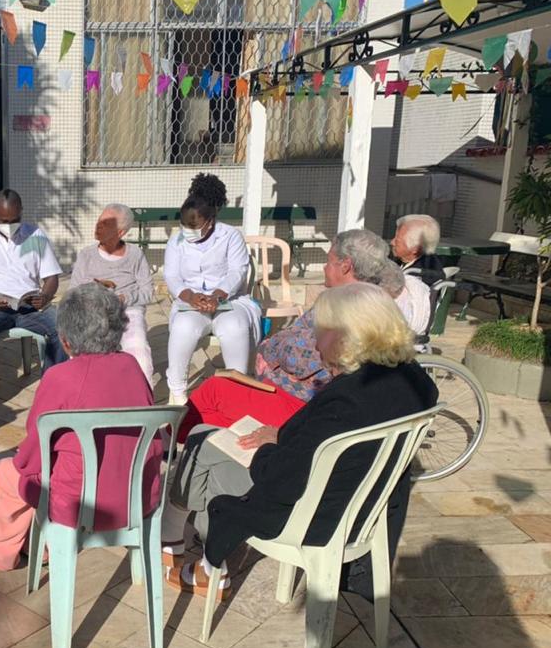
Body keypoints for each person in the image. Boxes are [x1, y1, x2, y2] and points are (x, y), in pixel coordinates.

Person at [162, 283, 437, 597]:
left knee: (203, 448)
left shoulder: (346, 397)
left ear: (348, 335)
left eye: (322, 333)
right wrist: (280, 433)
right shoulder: (416, 381)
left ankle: (209, 565)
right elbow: (323, 437)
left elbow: (283, 482)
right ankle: (184, 541)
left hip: (311, 516)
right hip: (364, 503)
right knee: (203, 439)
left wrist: (267, 448)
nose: (317, 346)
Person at [177, 230, 431, 441]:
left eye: (329, 260)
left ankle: (167, 445)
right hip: (298, 395)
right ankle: (187, 447)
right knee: (213, 418)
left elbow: (303, 359)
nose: (325, 267)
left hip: (302, 405)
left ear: (345, 265)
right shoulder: (367, 298)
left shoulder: (348, 307)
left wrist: (270, 347)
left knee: (213, 391)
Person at [0, 283, 163, 571]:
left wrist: (24, 462)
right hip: (137, 496)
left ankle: (3, 555)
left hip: (78, 505)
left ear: (65, 341)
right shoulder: (132, 367)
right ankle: (40, 544)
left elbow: (33, 453)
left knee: (8, 471)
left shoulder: (59, 377)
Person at [0, 188, 68, 420]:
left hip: (30, 306)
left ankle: (52, 393)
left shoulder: (35, 235)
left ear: (21, 212)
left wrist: (45, 296)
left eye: (14, 220)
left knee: (63, 327)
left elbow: (51, 278)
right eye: (3, 221)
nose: (9, 225)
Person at [164, 178, 262, 405]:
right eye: (184, 225)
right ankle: (178, 393)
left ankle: (235, 392)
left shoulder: (230, 236)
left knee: (234, 326)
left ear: (211, 221)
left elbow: (237, 271)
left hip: (230, 299)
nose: (188, 231)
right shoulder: (176, 241)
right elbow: (172, 276)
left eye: (195, 226)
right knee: (183, 327)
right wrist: (191, 297)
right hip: (191, 302)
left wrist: (218, 296)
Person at [70, 204, 155, 386]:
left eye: (106, 223)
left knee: (140, 352)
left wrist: (124, 298)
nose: (98, 225)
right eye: (99, 220)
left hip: (127, 312)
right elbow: (73, 291)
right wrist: (94, 290)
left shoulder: (135, 254)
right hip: (93, 313)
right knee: (80, 355)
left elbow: (148, 292)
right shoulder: (86, 255)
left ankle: (142, 398)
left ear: (121, 232)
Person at [390, 214, 444, 286]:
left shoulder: (419, 277)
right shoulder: (401, 260)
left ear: (415, 248)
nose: (392, 242)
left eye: (397, 241)